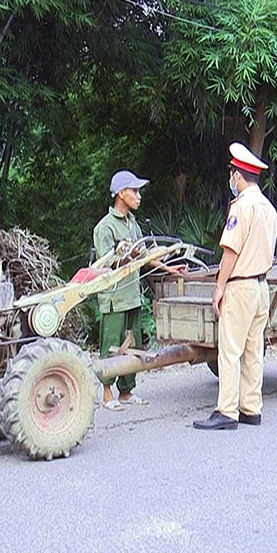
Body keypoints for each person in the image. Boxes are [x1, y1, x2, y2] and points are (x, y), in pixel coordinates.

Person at [193, 143, 277, 431]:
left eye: (232, 174)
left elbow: (230, 251)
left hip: (240, 287)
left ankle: (227, 412)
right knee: (254, 351)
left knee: (230, 352)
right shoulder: (269, 209)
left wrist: (219, 287)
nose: (231, 180)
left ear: (239, 177)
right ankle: (251, 409)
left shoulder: (241, 207)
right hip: (261, 287)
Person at [94, 170, 185, 412]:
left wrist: (170, 268)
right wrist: (125, 256)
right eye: (134, 191)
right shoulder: (105, 227)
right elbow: (105, 264)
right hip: (114, 298)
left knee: (132, 342)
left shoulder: (132, 223)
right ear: (121, 194)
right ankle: (106, 394)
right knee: (111, 345)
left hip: (132, 295)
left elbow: (144, 255)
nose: (139, 195)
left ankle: (126, 391)